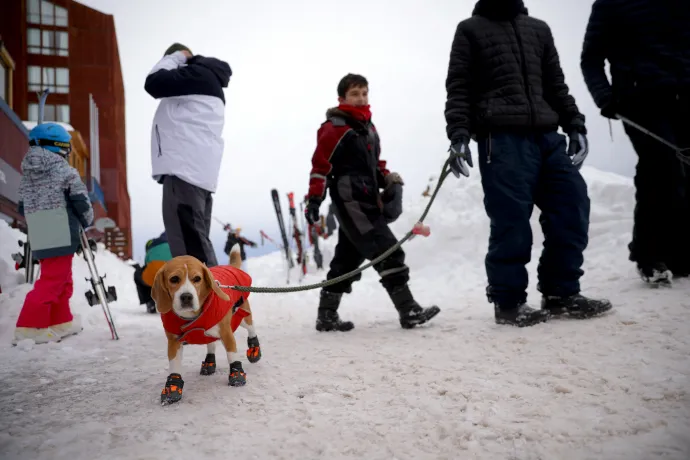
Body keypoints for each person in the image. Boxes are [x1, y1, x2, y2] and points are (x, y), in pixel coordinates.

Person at [444, 0, 612, 327]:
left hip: (548, 137)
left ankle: (561, 293)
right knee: (512, 221)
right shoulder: (470, 30)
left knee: (572, 205)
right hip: (501, 139)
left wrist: (575, 124)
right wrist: (458, 134)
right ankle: (508, 303)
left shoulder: (539, 29)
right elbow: (458, 87)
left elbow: (555, 84)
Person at [304, 73, 440, 332]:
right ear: (342, 98)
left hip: (367, 197)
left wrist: (386, 177)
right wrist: (314, 201)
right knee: (386, 248)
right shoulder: (335, 128)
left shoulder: (367, 126)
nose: (360, 98)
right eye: (354, 94)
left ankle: (326, 316)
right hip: (350, 199)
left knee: (347, 259)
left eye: (364, 93)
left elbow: (373, 163)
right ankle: (408, 309)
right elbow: (320, 167)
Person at [580, 0, 690, 285]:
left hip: (685, 96)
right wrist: (605, 98)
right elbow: (590, 59)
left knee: (684, 172)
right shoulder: (611, 4)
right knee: (662, 168)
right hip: (641, 101)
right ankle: (648, 254)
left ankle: (679, 253)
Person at [144, 43, 233, 267]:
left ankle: (214, 300)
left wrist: (175, 57)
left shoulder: (196, 75)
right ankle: (217, 298)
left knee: (189, 253)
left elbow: (154, 82)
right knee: (196, 245)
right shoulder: (204, 80)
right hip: (196, 174)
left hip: (184, 172)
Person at [13, 123, 95, 344]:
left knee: (60, 279)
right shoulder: (65, 171)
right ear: (60, 147)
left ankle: (61, 320)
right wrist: (87, 220)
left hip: (40, 228)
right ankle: (29, 327)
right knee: (52, 281)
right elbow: (81, 201)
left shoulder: (27, 174)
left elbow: (21, 207)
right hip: (61, 228)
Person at [133, 231, 173, 313]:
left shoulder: (152, 246)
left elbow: (146, 265)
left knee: (139, 274)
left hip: (152, 278)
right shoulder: (178, 244)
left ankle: (149, 302)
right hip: (172, 279)